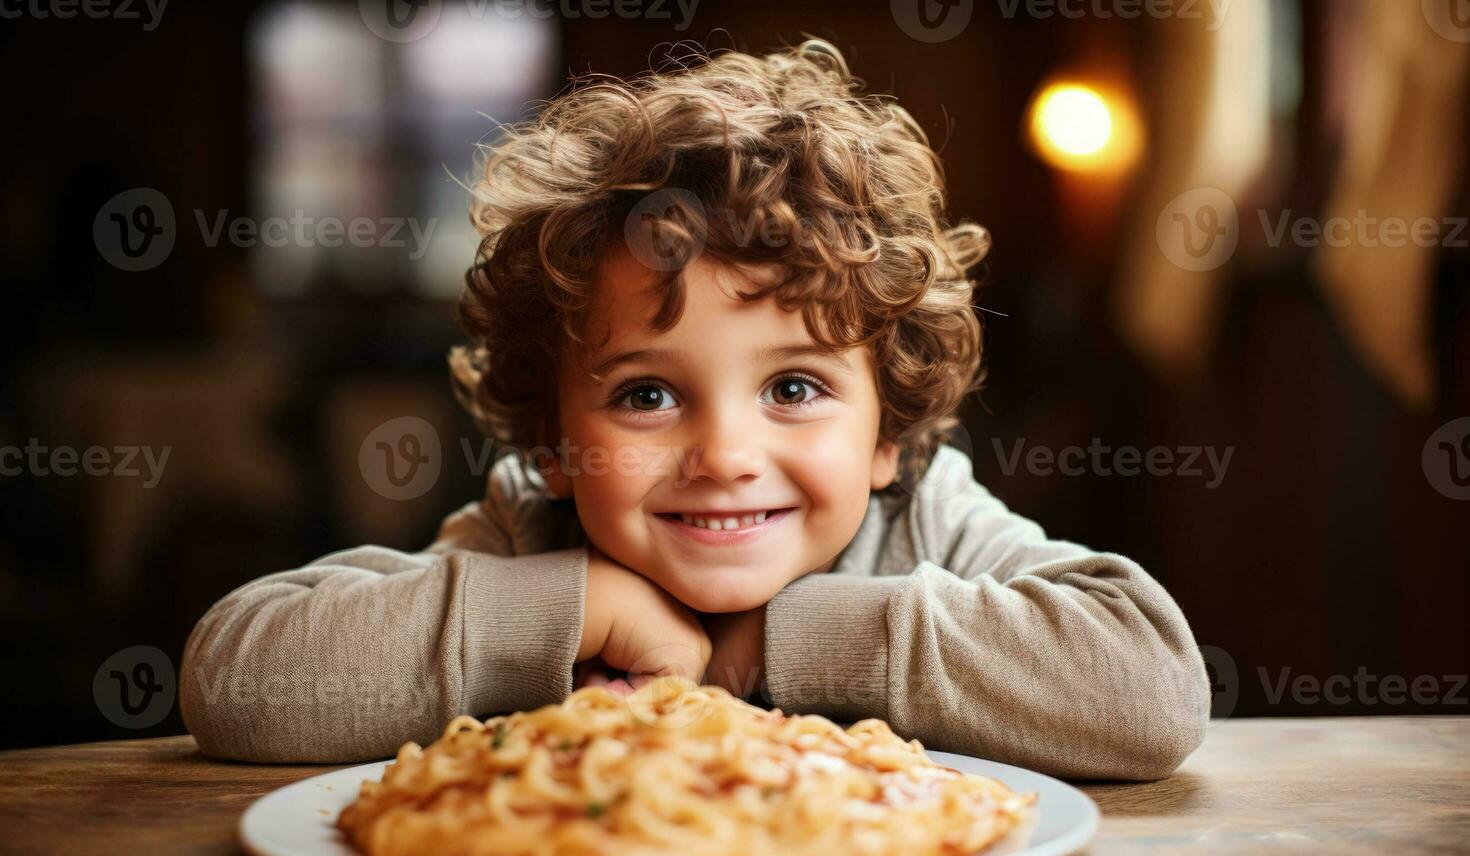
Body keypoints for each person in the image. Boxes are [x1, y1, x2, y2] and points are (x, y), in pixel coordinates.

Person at [181, 39, 1208, 777]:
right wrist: (581, 605)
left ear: (888, 433)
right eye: (647, 394)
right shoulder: (529, 528)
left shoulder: (923, 519)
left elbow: (1153, 690)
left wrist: (786, 637)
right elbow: (235, 676)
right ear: (553, 442)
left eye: (795, 387)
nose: (723, 452)